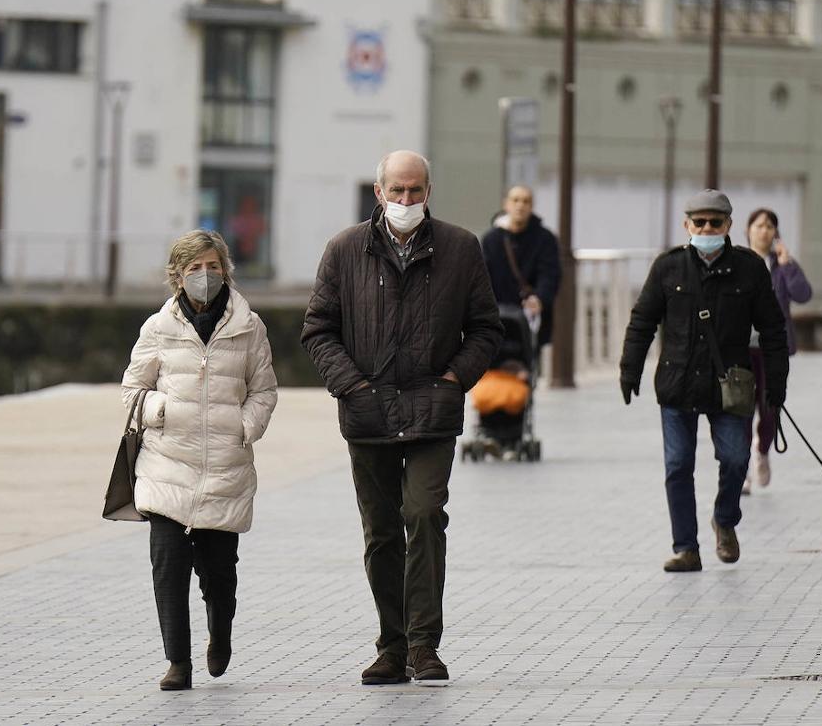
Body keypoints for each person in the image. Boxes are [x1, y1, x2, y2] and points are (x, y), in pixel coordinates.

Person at [301, 150, 502, 686]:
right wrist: (352, 386)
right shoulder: (344, 249)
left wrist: (453, 379)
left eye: (415, 190)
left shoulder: (461, 248)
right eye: (397, 190)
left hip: (433, 409)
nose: (406, 199)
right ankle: (391, 646)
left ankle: (422, 644)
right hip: (368, 412)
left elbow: (487, 328)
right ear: (379, 191)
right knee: (382, 532)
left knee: (425, 513)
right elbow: (318, 329)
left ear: (429, 191)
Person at [120, 229, 278, 691]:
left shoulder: (249, 327)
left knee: (219, 573)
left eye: (213, 266)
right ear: (177, 276)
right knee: (168, 567)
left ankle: (220, 634)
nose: (205, 275)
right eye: (194, 268)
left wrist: (244, 427)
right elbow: (132, 389)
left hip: (225, 468)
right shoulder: (158, 328)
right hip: (166, 465)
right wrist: (161, 410)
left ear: (225, 270)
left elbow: (264, 390)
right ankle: (178, 662)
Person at [619, 190, 788, 573]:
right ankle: (686, 548)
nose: (707, 228)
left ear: (729, 225)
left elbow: (773, 329)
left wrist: (776, 384)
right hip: (677, 382)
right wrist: (630, 369)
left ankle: (724, 520)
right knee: (678, 465)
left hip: (731, 384)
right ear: (687, 225)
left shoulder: (749, 268)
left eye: (715, 222)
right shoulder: (668, 267)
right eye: (700, 222)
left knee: (736, 459)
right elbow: (642, 320)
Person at [742, 208, 811, 494]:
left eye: (770, 226)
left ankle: (762, 450)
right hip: (741, 349)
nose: (764, 231)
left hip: (773, 350)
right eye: (759, 225)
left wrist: (788, 265)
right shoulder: (738, 262)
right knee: (742, 411)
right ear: (748, 230)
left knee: (770, 410)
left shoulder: (781, 265)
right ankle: (742, 470)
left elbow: (803, 294)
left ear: (776, 233)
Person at [480, 185, 562, 348]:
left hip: (531, 316)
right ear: (506, 204)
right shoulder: (491, 240)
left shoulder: (545, 239)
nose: (520, 205)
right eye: (515, 200)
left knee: (529, 359)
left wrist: (540, 298)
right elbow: (482, 278)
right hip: (496, 317)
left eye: (526, 201)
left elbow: (550, 274)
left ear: (531, 206)